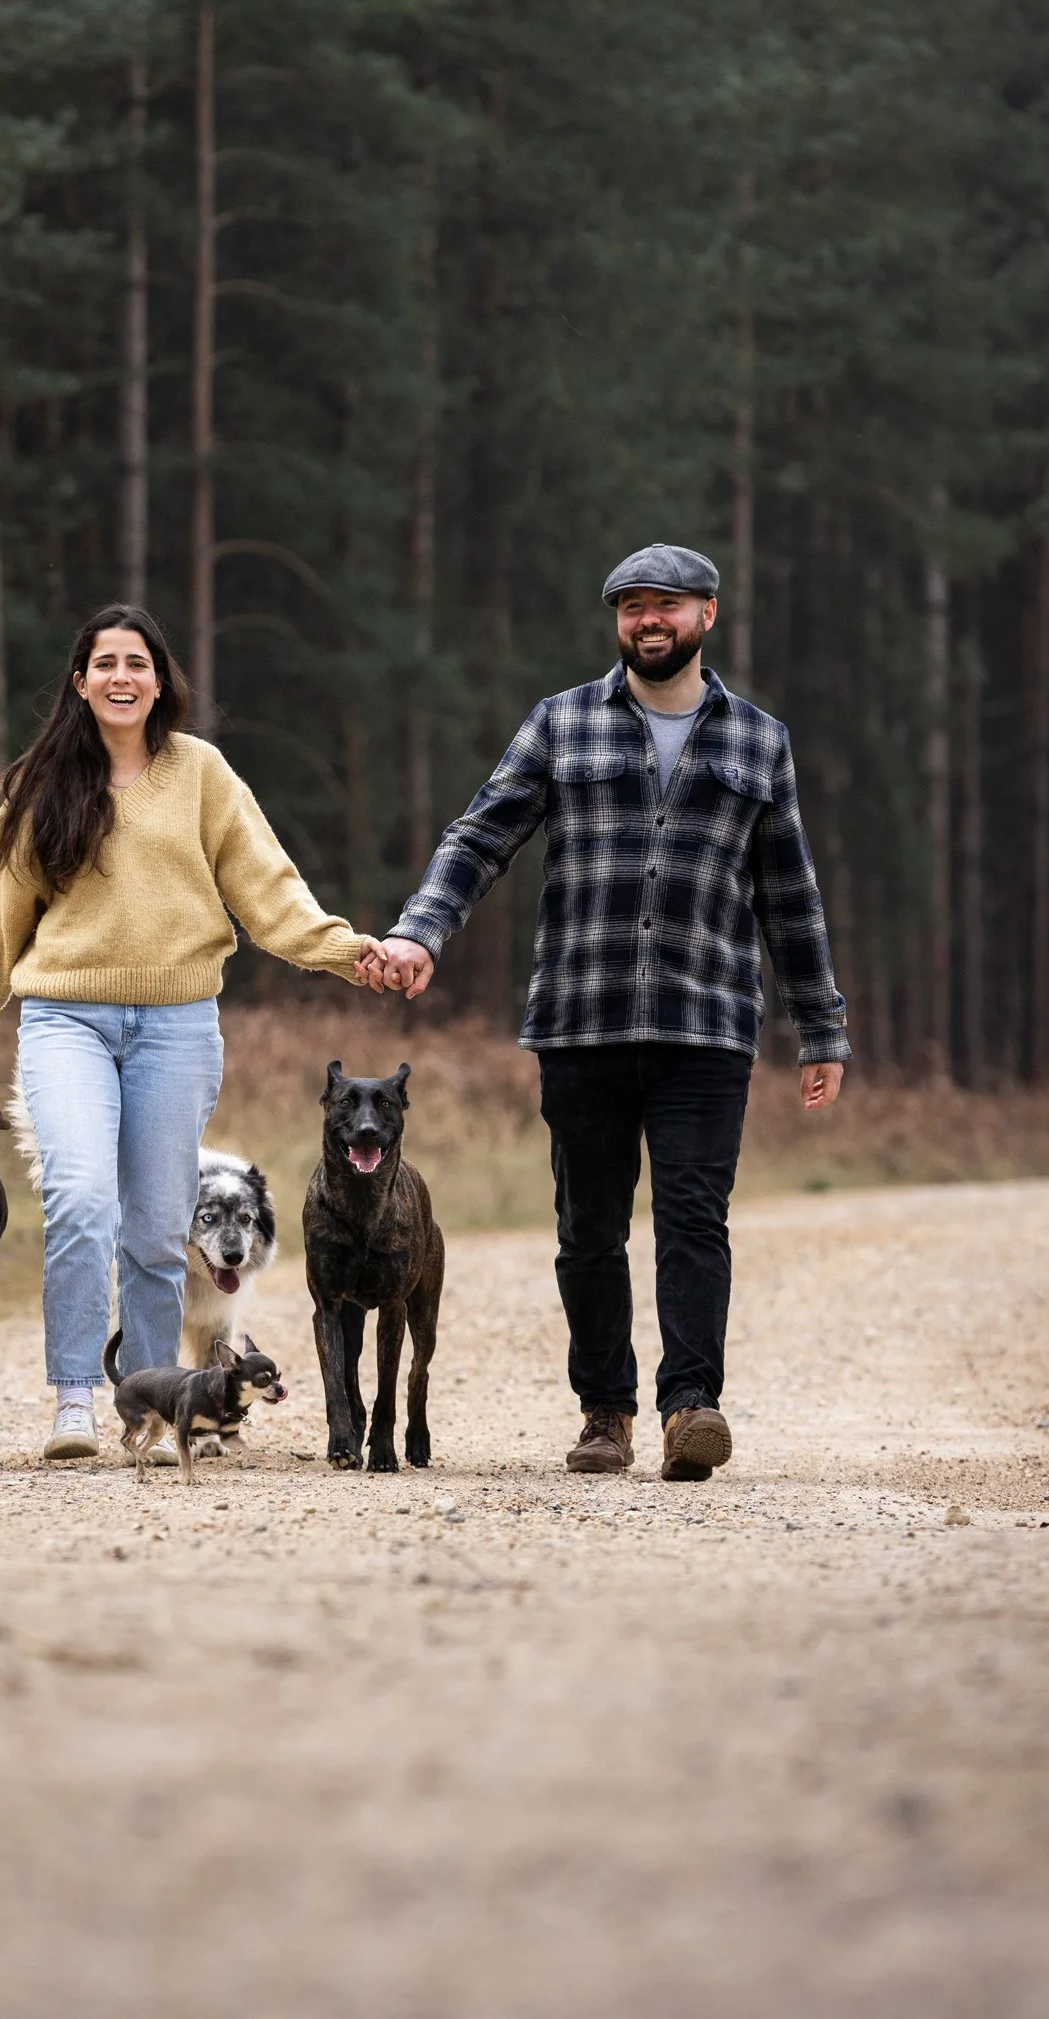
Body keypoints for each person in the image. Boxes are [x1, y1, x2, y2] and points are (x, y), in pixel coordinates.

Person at [366, 543, 848, 1481]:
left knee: (692, 1218)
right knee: (588, 1225)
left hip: (706, 1024)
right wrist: (422, 931)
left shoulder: (758, 741)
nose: (648, 620)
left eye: (667, 604)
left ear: (708, 614)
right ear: (617, 621)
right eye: (631, 606)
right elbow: (480, 837)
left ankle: (691, 1408)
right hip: (581, 1020)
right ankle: (606, 1413)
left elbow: (790, 892)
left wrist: (820, 1025)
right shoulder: (561, 724)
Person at [0, 604, 380, 1462]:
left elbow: (269, 892)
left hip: (176, 1025)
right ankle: (75, 1404)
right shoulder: (39, 785)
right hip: (64, 1019)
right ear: (80, 682)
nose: (121, 677)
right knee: (82, 1200)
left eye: (138, 663)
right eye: (105, 664)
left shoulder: (201, 773)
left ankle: (159, 1406)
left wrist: (351, 953)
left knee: (160, 1227)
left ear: (160, 681)